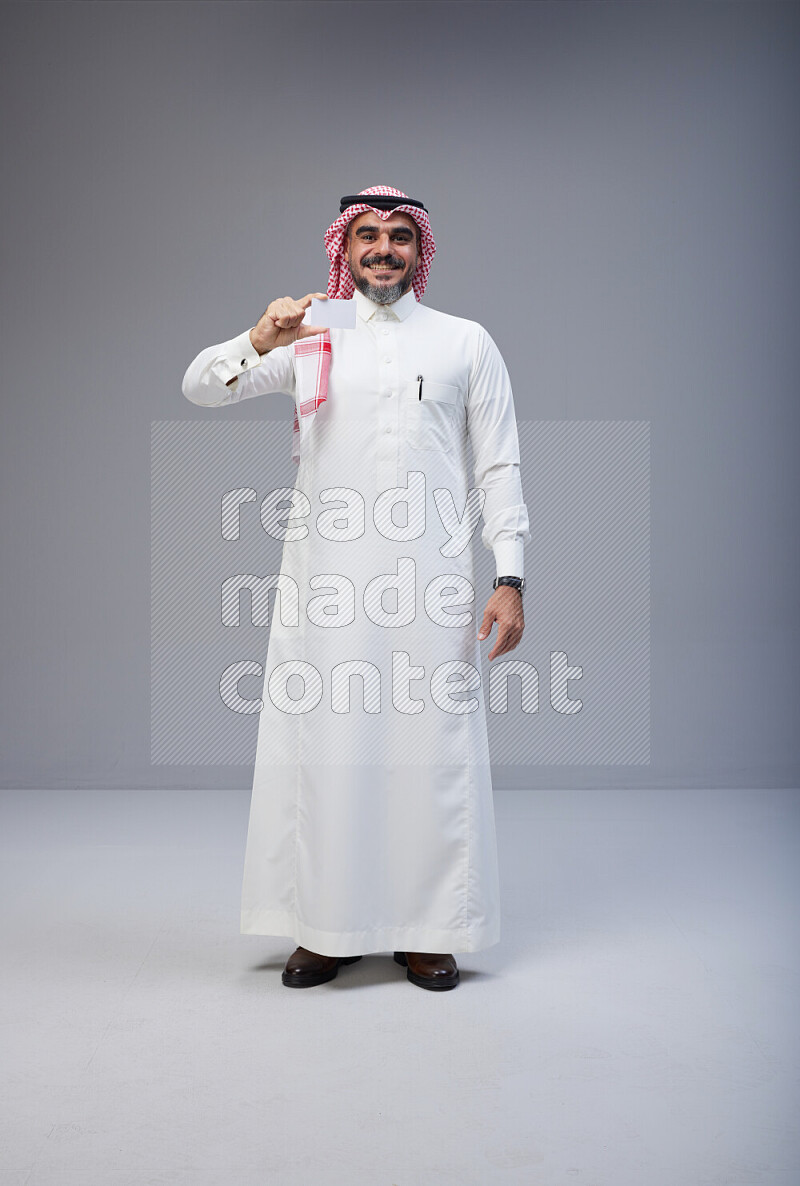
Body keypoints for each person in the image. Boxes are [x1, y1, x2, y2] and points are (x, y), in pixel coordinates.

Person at [182, 185, 530, 991]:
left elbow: (500, 465)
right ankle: (327, 928)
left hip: (432, 583)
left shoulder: (464, 342)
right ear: (345, 247)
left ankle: (429, 929)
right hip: (328, 586)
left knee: (428, 751)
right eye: (367, 235)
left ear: (421, 250)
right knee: (330, 751)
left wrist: (510, 575)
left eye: (399, 237)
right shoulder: (308, 335)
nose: (383, 249)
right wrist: (257, 334)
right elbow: (201, 387)